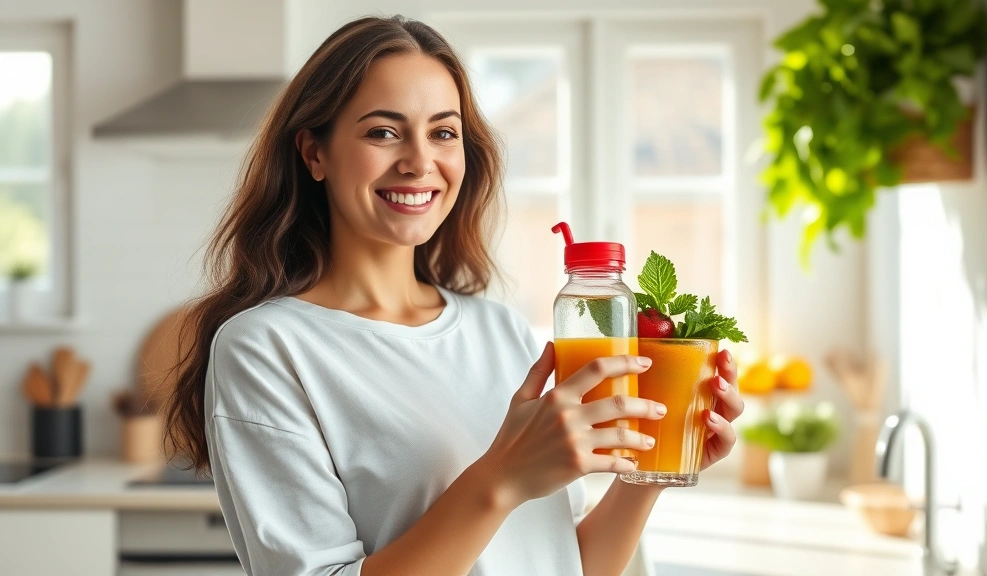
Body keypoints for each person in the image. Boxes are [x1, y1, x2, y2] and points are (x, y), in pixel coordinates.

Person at [164, 15, 744, 576]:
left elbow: (568, 563)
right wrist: (502, 478)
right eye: (383, 132)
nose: (420, 162)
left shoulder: (503, 331)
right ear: (315, 153)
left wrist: (655, 469)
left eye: (443, 132)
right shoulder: (267, 348)